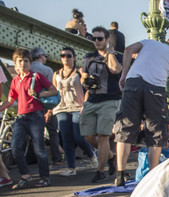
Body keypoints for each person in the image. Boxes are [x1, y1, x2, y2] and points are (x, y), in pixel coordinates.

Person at [113, 39, 169, 186]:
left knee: (125, 128)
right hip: (155, 88)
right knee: (156, 132)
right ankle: (152, 177)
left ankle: (120, 176)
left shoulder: (149, 42)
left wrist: (124, 76)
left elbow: (128, 50)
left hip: (132, 82)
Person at [0, 48, 58, 189]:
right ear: (15, 63)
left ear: (30, 62)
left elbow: (53, 90)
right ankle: (25, 176)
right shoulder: (15, 81)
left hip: (36, 116)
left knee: (39, 149)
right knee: (15, 147)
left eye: (26, 61)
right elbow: (9, 100)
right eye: (20, 61)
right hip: (21, 117)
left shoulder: (36, 77)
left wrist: (38, 94)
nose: (23, 64)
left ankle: (45, 178)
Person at [81, 26, 122, 183]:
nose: (96, 41)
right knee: (88, 136)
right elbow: (83, 78)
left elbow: (115, 70)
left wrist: (110, 51)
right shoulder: (89, 58)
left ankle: (100, 170)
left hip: (109, 99)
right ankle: (111, 157)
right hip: (92, 99)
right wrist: (87, 82)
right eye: (94, 38)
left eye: (100, 38)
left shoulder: (116, 56)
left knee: (103, 135)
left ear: (107, 40)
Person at [53, 47, 97, 176]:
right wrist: (50, 110)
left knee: (78, 136)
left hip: (78, 106)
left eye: (68, 56)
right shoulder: (56, 74)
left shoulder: (79, 72)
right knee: (66, 138)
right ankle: (71, 168)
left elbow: (88, 87)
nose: (66, 58)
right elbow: (54, 91)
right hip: (61, 107)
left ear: (74, 58)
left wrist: (86, 104)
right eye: (63, 56)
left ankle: (91, 154)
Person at [31, 47, 63, 167]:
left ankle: (38, 159)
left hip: (33, 105)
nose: (45, 58)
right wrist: (50, 109)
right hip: (45, 103)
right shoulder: (47, 70)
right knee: (52, 132)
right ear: (40, 56)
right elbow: (51, 88)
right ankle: (57, 158)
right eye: (45, 56)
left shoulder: (28, 69)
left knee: (35, 134)